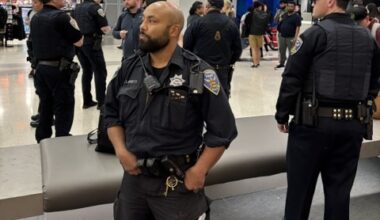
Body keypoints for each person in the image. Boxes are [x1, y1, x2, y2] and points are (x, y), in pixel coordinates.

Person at [104, 2, 237, 220]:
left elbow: (223, 130)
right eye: (143, 19)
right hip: (134, 180)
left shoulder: (199, 73)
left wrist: (200, 170)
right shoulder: (130, 68)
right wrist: (120, 149)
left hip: (176, 183)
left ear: (174, 30)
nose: (142, 26)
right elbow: (110, 113)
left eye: (152, 21)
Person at [275, 0, 380, 219]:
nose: (313, 4)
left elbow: (292, 77)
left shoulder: (314, 34)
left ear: (331, 2)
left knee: (299, 195)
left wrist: (282, 114)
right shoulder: (367, 39)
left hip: (312, 126)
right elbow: (374, 82)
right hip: (352, 127)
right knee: (339, 197)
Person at [30, 0, 83, 143]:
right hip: (59, 70)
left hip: (40, 69)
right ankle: (62, 139)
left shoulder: (36, 17)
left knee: (46, 105)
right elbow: (79, 41)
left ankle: (42, 139)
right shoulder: (62, 17)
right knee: (63, 105)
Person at [183, 0, 242, 98]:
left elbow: (186, 46)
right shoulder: (231, 24)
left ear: (207, 6)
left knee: (200, 101)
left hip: (200, 70)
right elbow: (238, 49)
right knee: (221, 101)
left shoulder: (197, 23)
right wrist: (228, 61)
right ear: (222, 6)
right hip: (223, 69)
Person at [72, 0, 111, 109]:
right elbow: (105, 28)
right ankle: (102, 101)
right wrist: (110, 30)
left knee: (87, 70)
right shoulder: (96, 8)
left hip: (79, 44)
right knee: (100, 71)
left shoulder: (77, 8)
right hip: (92, 44)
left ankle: (87, 100)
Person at [26, 0, 43, 128]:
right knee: (41, 90)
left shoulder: (45, 17)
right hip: (36, 57)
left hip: (43, 59)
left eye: (36, 2)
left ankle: (45, 115)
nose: (33, 5)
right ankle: (42, 112)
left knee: (45, 91)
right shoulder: (34, 14)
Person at [275, 0, 301, 69]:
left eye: (291, 6)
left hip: (291, 37)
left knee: (291, 52)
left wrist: (295, 38)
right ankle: (282, 63)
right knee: (281, 50)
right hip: (282, 36)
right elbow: (279, 22)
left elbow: (298, 27)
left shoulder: (296, 16)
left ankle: (291, 65)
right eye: (289, 6)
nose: (290, 8)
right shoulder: (284, 15)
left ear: (294, 7)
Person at [248, 1, 270, 68]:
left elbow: (247, 23)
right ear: (260, 7)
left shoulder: (251, 14)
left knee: (254, 49)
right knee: (259, 48)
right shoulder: (265, 14)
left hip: (252, 33)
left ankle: (254, 63)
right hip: (261, 34)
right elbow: (267, 23)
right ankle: (258, 62)